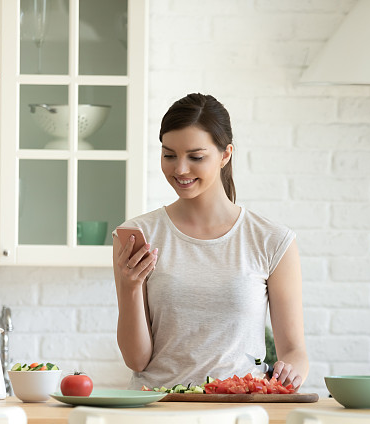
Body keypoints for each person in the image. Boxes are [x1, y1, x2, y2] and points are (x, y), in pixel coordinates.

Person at [112, 93, 308, 391]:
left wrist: (291, 371)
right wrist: (130, 288)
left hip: (239, 408)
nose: (180, 169)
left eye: (196, 157)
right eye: (169, 155)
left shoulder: (271, 240)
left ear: (225, 154)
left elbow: (294, 350)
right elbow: (137, 361)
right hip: (158, 408)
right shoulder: (138, 235)